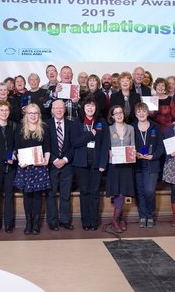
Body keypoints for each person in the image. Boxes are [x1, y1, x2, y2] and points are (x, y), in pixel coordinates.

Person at [73, 95, 109, 231]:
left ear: (96, 108)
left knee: (94, 192)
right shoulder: (77, 122)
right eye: (87, 105)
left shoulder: (101, 122)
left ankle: (94, 222)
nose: (90, 108)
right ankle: (85, 222)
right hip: (81, 163)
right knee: (84, 192)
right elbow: (75, 142)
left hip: (97, 163)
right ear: (83, 108)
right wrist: (90, 135)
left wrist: (103, 163)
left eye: (92, 105)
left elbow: (105, 143)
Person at [14, 103, 51, 235]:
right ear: (26, 114)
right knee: (27, 196)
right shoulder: (20, 128)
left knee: (37, 196)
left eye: (36, 113)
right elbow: (17, 148)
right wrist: (19, 160)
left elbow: (47, 148)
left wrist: (46, 160)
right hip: (25, 168)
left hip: (39, 168)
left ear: (39, 115)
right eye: (31, 113)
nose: (33, 116)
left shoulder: (44, 128)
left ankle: (36, 224)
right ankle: (28, 223)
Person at [46, 99, 79, 230]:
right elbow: (45, 145)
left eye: (61, 108)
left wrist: (65, 159)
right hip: (51, 164)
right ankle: (52, 222)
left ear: (65, 110)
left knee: (66, 195)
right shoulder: (46, 124)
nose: (59, 110)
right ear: (52, 110)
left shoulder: (72, 125)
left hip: (67, 165)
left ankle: (65, 220)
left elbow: (74, 145)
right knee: (51, 194)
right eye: (56, 108)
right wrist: (54, 160)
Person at [132, 103, 164, 228]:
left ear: (148, 112)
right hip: (138, 164)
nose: (141, 113)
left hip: (152, 163)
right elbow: (128, 144)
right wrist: (134, 153)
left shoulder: (156, 127)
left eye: (143, 111)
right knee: (140, 191)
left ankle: (150, 215)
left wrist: (153, 156)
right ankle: (142, 216)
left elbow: (161, 146)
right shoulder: (131, 127)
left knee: (149, 191)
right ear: (135, 114)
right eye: (139, 111)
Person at [106, 105, 135, 233]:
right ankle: (116, 220)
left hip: (126, 165)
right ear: (112, 116)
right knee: (117, 192)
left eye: (120, 112)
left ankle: (118, 219)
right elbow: (105, 146)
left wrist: (133, 153)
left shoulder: (130, 128)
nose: (119, 115)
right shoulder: (109, 129)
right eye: (116, 113)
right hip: (114, 164)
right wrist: (108, 151)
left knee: (124, 191)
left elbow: (133, 145)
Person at [0, 100, 17, 233]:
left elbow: (15, 145)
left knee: (9, 196)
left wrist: (13, 155)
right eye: (1, 110)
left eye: (6, 110)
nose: (4, 112)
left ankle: (9, 225)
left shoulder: (13, 126)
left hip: (11, 167)